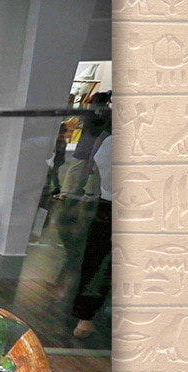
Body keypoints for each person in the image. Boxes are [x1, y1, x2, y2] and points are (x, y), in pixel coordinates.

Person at [72, 131, 112, 338]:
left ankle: (84, 318)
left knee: (96, 264)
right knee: (103, 266)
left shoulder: (110, 140)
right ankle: (85, 319)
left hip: (107, 204)